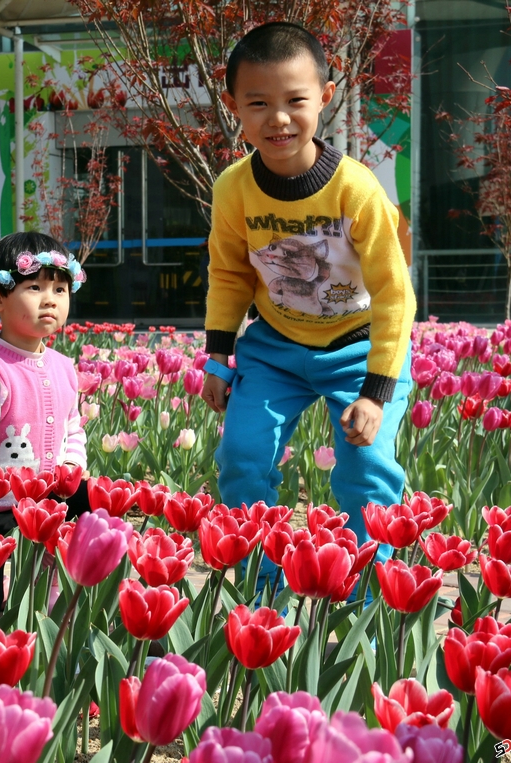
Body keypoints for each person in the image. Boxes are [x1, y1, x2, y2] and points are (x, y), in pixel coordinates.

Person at [201, 22, 415, 590]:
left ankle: (371, 597)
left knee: (365, 469)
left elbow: (394, 292)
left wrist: (376, 392)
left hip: (359, 348)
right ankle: (262, 593)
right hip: (273, 350)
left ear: (324, 97)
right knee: (242, 457)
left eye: (296, 100)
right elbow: (229, 273)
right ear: (234, 108)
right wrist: (219, 358)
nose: (278, 119)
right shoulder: (233, 189)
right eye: (258, 103)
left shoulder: (356, 189)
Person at [0, 231, 90, 622]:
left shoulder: (63, 366)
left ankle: (52, 638)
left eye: (60, 289)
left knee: (56, 575)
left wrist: (73, 470)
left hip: (51, 502)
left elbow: (72, 428)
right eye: (34, 287)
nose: (51, 299)